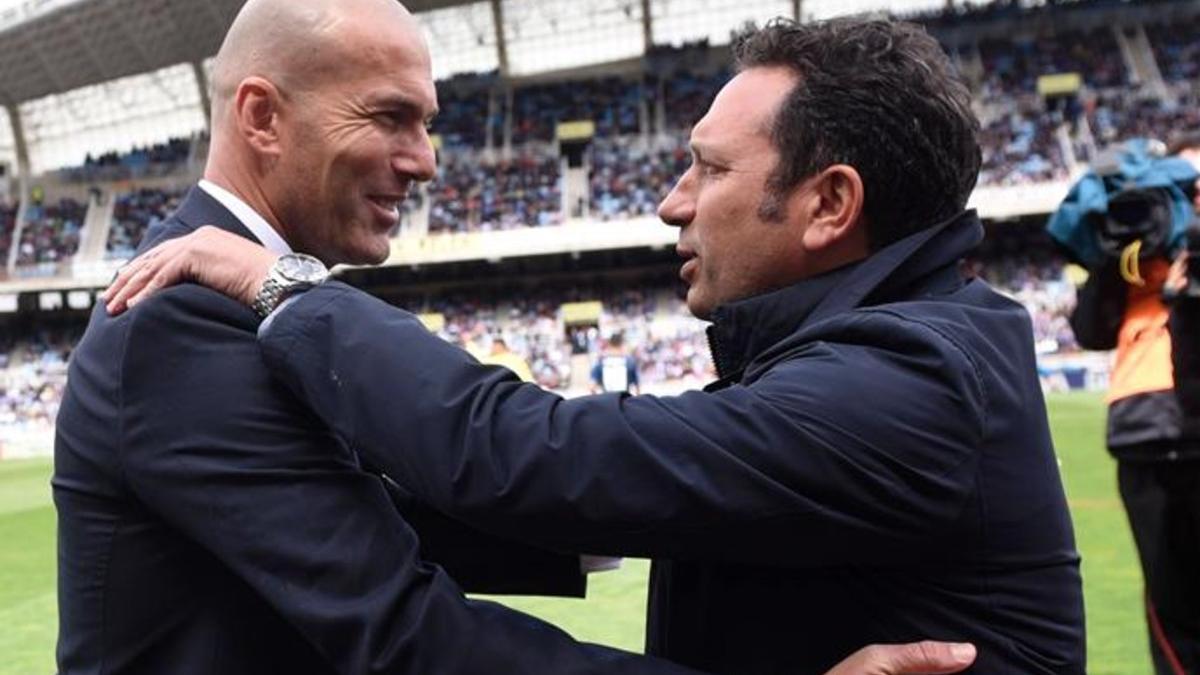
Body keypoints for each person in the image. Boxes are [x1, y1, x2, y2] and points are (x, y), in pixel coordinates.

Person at [108, 15, 1086, 675]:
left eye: (705, 169)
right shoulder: (176, 314)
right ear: (263, 116)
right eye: (392, 117)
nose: (671, 201)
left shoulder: (911, 378)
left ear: (829, 204)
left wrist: (288, 290)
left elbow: (541, 455)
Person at [1069, 133, 1200, 675]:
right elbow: (1090, 329)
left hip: (1172, 416)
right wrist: (1113, 258)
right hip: (1144, 424)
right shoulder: (1131, 254)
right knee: (1171, 604)